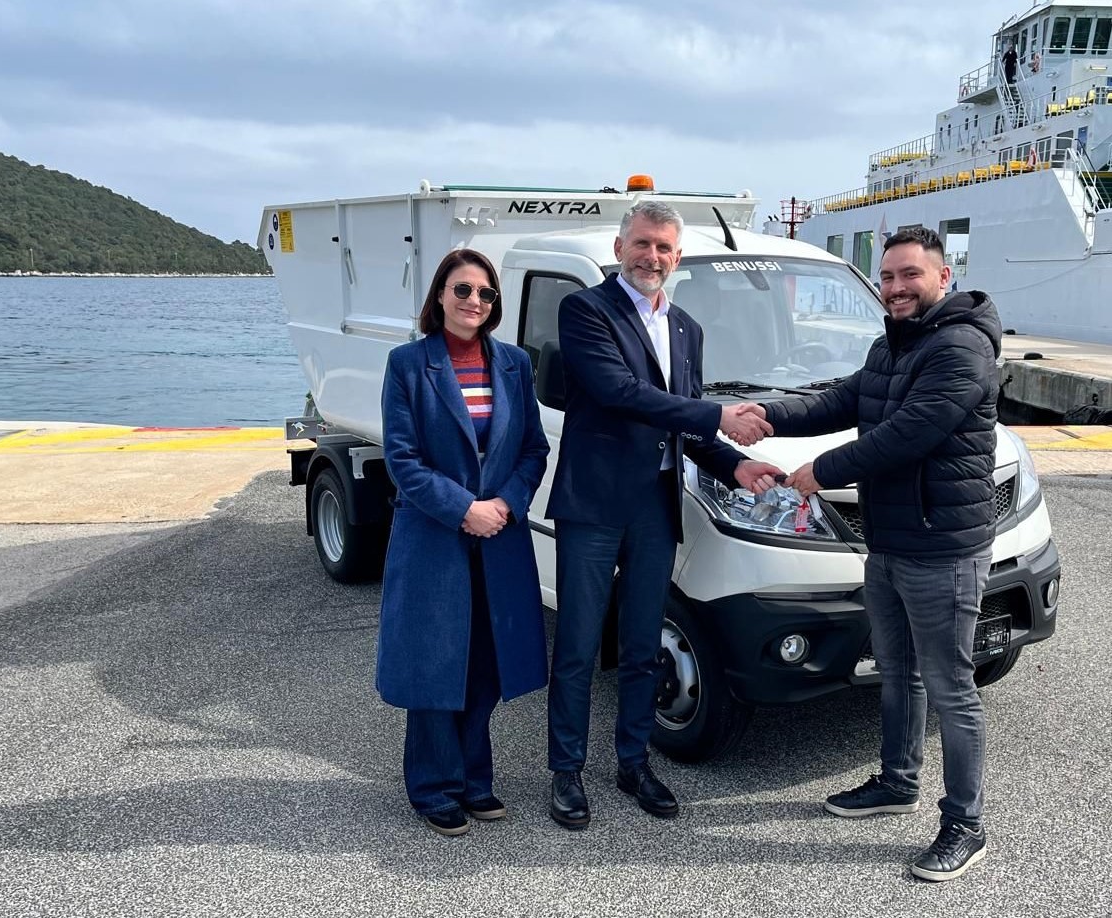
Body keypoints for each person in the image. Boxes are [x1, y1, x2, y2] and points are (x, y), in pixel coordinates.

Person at [748, 226, 1003, 882]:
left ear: (943, 277)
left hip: (941, 547)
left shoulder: (962, 347)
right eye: (887, 277)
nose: (896, 287)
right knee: (898, 671)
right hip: (888, 542)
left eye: (910, 275)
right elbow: (841, 399)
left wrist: (821, 470)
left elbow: (908, 434)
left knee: (950, 687)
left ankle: (966, 825)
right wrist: (766, 413)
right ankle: (897, 782)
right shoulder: (892, 345)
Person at [544, 200, 782, 830]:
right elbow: (620, 393)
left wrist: (735, 465)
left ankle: (632, 763)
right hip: (594, 506)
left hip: (655, 504)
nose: (653, 257)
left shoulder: (685, 329)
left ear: (677, 258)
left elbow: (685, 424)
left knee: (643, 644)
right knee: (577, 645)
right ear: (620, 248)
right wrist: (717, 415)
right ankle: (566, 771)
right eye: (643, 243)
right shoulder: (585, 310)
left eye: (665, 248)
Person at [376, 248, 551, 836]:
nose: (474, 301)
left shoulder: (514, 364)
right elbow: (402, 460)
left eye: (485, 292)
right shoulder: (408, 364)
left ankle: (474, 779)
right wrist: (464, 510)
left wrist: (504, 505)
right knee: (435, 663)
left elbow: (533, 449)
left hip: (499, 536)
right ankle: (435, 786)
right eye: (462, 289)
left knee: (487, 663)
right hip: (434, 536)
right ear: (440, 295)